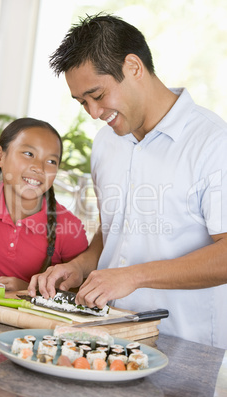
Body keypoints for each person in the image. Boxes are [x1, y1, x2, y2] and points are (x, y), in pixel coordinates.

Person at [28, 14, 227, 348]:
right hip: (107, 336)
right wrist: (78, 267)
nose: (93, 112)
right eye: (82, 103)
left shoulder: (212, 143)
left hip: (186, 346)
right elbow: (112, 234)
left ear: (134, 67)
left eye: (98, 94)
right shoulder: (106, 144)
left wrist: (133, 276)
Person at [0, 117, 88, 297]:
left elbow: (80, 296)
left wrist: (30, 289)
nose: (39, 168)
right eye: (28, 154)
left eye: (51, 161)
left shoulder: (69, 227)